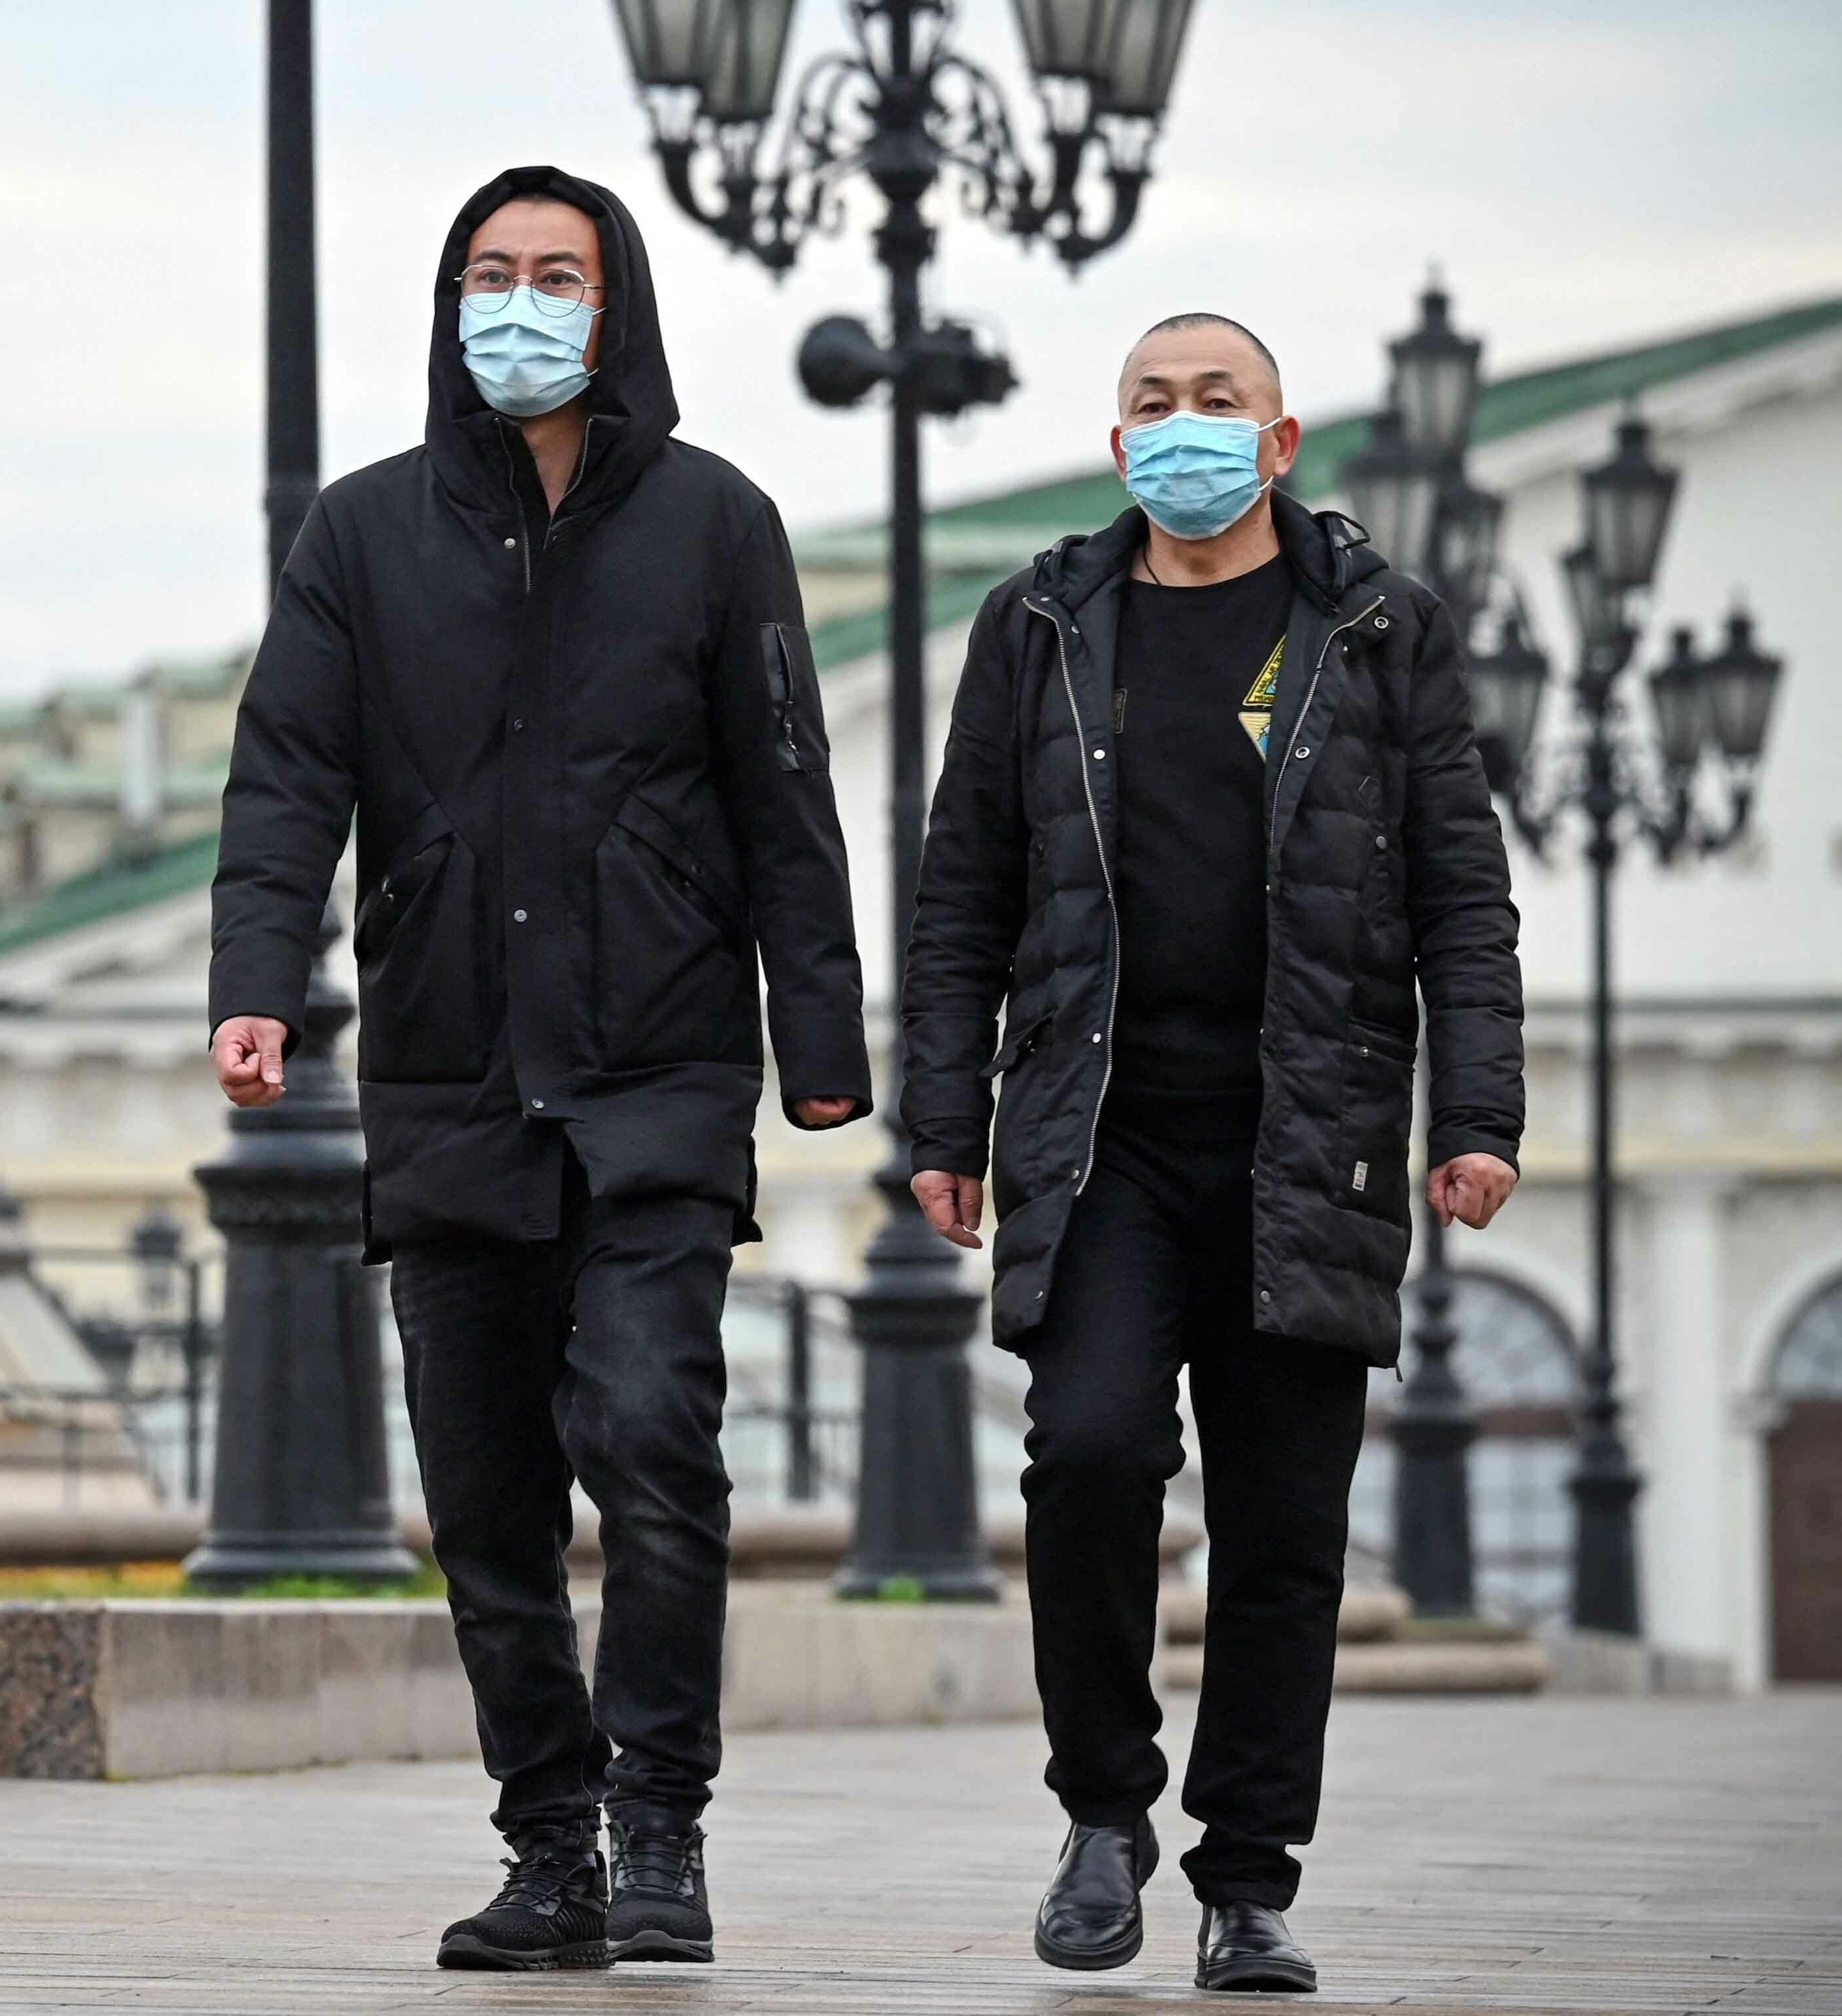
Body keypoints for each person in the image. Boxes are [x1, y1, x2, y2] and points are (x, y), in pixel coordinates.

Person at [208, 164, 871, 1973]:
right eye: (488, 274)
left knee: (656, 1437)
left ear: (615, 302)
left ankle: (662, 1826)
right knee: (490, 1493)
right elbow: (285, 779)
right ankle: (551, 1845)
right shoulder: (361, 537)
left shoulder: (718, 524)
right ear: (451, 304)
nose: (518, 302)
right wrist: (258, 978)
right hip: (446, 1076)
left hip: (657, 1069)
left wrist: (823, 1042)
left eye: (553, 274)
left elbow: (784, 790)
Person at [900, 312, 1525, 1996]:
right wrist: (941, 1119)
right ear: (1118, 449)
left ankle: (1248, 1879)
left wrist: (1477, 1114)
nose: (1185, 426)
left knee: (1282, 1529)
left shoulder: (1382, 630)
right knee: (1089, 1453)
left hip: (1305, 1142)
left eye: (1216, 400)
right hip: (1100, 1133)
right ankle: (1106, 1813)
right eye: (1153, 404)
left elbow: (1462, 890)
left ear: (1280, 438)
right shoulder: (1039, 624)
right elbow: (964, 883)